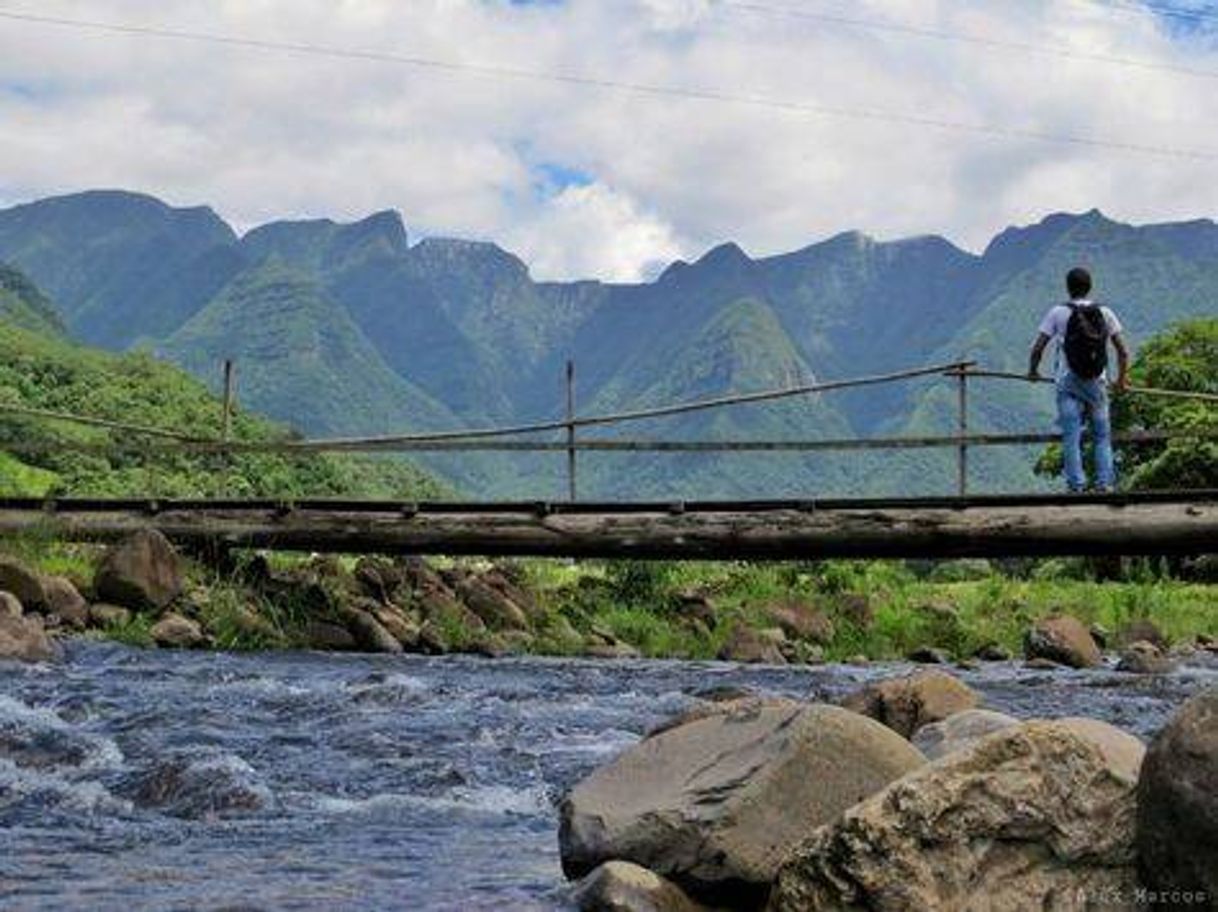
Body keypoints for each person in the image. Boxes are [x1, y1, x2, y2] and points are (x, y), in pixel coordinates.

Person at [1027, 267, 1130, 492]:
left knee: (1071, 437)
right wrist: (1121, 380)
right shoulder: (1105, 312)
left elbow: (1037, 349)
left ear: (1068, 287)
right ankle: (1105, 485)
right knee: (1102, 437)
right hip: (1097, 383)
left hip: (1068, 383)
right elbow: (1122, 352)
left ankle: (1076, 486)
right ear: (1089, 287)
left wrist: (1033, 372)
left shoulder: (1057, 313)